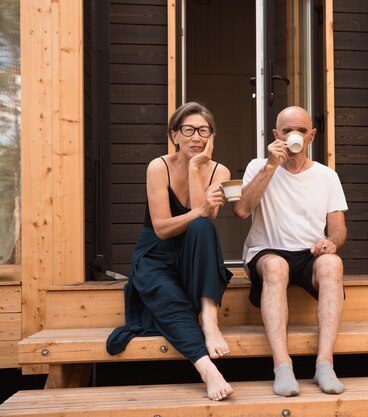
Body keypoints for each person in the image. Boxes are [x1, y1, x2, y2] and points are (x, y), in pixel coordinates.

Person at [106, 102, 234, 401]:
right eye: (188, 130)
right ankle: (207, 369)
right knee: (168, 296)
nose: (196, 137)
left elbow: (206, 218)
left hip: (192, 257)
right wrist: (199, 203)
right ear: (174, 134)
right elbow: (162, 228)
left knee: (202, 228)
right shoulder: (158, 167)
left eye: (203, 130)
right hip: (155, 254)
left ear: (211, 137)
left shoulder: (220, 171)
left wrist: (195, 168)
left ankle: (209, 320)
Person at [233, 106, 348, 396]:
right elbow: (242, 209)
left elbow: (338, 227)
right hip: (268, 250)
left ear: (311, 135)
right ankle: (282, 366)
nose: (293, 135)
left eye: (300, 130)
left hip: (309, 253)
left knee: (332, 264)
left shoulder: (326, 176)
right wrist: (271, 166)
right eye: (286, 131)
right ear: (276, 135)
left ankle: (324, 364)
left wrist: (331, 242)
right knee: (276, 267)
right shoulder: (257, 166)